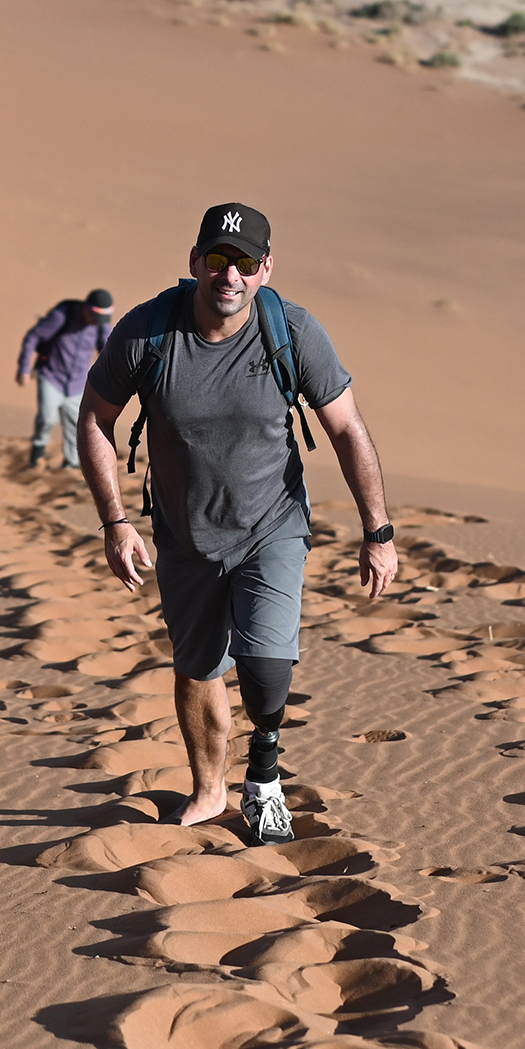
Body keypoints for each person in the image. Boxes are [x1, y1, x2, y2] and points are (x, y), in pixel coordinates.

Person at [78, 202, 396, 844]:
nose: (231, 275)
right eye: (219, 260)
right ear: (195, 262)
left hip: (271, 523)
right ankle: (209, 790)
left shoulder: (292, 332)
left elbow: (347, 428)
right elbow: (94, 417)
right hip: (184, 533)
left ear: (265, 269)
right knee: (197, 666)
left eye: (245, 263)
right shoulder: (148, 333)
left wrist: (378, 531)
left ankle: (265, 778)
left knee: (266, 662)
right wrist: (115, 521)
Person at [16, 288, 114, 470]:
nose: (96, 322)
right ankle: (37, 452)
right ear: (86, 308)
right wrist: (24, 368)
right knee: (47, 418)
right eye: (94, 316)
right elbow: (33, 336)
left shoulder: (100, 326)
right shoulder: (63, 315)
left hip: (78, 383)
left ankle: (72, 464)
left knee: (76, 425)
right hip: (51, 376)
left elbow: (108, 352)